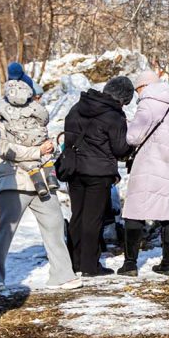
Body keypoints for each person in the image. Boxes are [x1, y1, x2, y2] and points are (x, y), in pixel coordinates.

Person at [0, 77, 80, 293]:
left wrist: (50, 149)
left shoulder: (38, 117)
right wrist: (37, 151)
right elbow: (4, 149)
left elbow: (46, 148)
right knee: (5, 231)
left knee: (55, 224)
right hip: (13, 181)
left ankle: (62, 274)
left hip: (43, 180)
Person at [63, 76, 135, 277]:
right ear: (123, 98)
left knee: (77, 215)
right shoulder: (114, 116)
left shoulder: (78, 107)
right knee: (93, 218)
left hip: (75, 170)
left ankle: (74, 261)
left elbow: (68, 136)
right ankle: (90, 266)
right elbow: (120, 149)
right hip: (99, 173)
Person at [119, 69, 169, 277]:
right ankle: (168, 264)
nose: (138, 95)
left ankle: (130, 264)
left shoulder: (148, 103)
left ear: (143, 87)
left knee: (135, 213)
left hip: (149, 166)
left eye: (138, 90)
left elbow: (133, 137)